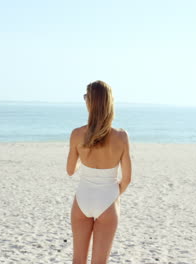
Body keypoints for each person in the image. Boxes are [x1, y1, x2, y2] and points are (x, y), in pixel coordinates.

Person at [66, 80, 132, 264]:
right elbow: (127, 179)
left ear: (90, 103)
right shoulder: (121, 136)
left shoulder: (77, 134)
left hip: (83, 199)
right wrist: (112, 195)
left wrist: (83, 161)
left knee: (78, 260)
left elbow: (70, 170)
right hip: (108, 200)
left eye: (86, 97)